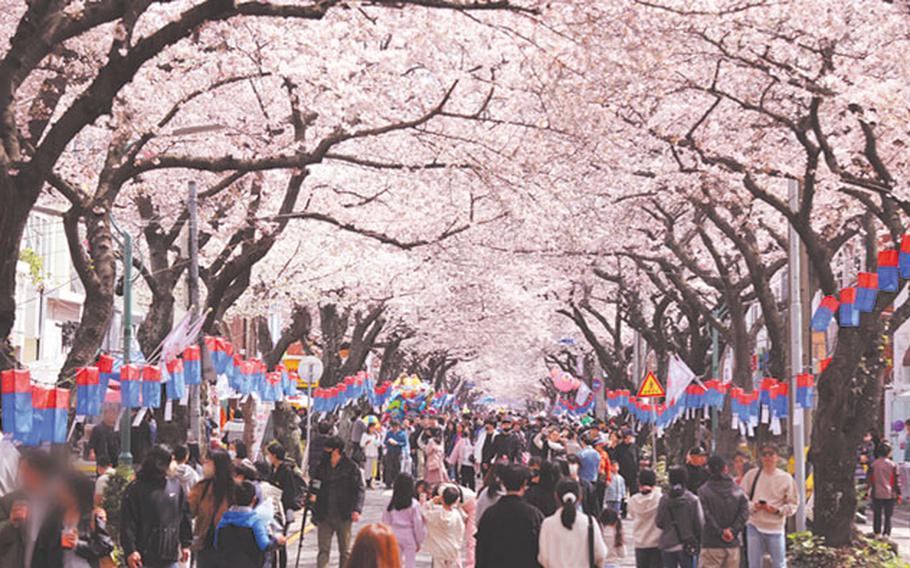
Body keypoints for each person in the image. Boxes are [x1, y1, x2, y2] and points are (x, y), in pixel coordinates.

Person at [120, 445, 192, 568]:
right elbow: (127, 522)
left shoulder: (175, 486)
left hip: (170, 556)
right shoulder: (135, 489)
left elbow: (184, 516)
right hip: (144, 559)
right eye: (171, 460)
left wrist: (186, 544)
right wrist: (130, 550)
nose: (175, 464)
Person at [31, 470, 115, 568]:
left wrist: (77, 545)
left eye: (64, 490)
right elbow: (41, 548)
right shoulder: (52, 518)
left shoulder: (92, 516)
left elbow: (106, 546)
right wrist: (59, 542)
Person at [475, 464, 545, 568]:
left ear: (503, 483)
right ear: (524, 483)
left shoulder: (490, 514)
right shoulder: (534, 515)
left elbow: (481, 549)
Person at [739, 443, 797, 568]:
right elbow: (741, 499)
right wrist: (754, 506)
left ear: (777, 457)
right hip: (754, 524)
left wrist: (777, 510)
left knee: (779, 563)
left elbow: (793, 504)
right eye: (764, 454)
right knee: (754, 564)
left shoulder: (786, 478)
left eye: (771, 454)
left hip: (776, 527)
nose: (767, 457)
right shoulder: (752, 475)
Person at [313, 436, 365, 568]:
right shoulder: (321, 466)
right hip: (324, 514)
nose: (324, 451)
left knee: (345, 551)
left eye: (327, 449)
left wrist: (357, 509)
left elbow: (359, 489)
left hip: (344, 514)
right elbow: (315, 484)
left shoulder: (351, 467)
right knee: (323, 550)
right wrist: (312, 495)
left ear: (336, 450)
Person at [0, 449, 58, 567]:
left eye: (28, 471)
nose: (23, 476)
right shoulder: (9, 501)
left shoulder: (59, 502)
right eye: (22, 470)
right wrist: (11, 523)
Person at [215, 480, 287, 568]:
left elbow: (217, 544)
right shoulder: (255, 521)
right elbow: (265, 545)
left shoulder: (224, 520)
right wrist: (277, 541)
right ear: (254, 500)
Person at [538, 478, 607, 568]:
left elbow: (543, 558)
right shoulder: (590, 522)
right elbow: (601, 554)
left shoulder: (547, 524)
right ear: (580, 496)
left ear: (556, 496)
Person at [697, 456, 748, 568]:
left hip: (711, 544)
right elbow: (744, 513)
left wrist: (720, 532)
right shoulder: (738, 491)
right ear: (725, 469)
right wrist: (733, 530)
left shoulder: (703, 491)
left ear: (708, 470)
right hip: (733, 543)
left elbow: (705, 516)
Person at [188, 449, 235, 567]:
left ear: (218, 465)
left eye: (208, 462)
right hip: (205, 545)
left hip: (230, 546)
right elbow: (188, 510)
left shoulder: (235, 489)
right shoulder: (202, 487)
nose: (204, 465)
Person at [656, 466, 703, 568]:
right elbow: (699, 524)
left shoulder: (664, 499)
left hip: (667, 544)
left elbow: (659, 522)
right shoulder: (693, 499)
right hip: (687, 545)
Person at [380, 474, 426, 568]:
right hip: (409, 535)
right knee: (410, 563)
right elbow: (418, 525)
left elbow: (385, 521)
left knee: (395, 562)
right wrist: (419, 540)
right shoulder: (414, 504)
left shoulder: (390, 503)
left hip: (394, 533)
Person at [421, 486, 467, 568]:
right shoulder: (456, 515)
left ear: (442, 497)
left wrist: (432, 501)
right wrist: (458, 545)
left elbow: (423, 511)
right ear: (456, 501)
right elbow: (461, 530)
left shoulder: (436, 514)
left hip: (438, 550)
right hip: (452, 549)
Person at [627, 469, 663, 568]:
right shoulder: (659, 498)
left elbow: (632, 515)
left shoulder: (633, 500)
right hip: (656, 542)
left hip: (640, 542)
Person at [868, 442, 901, 537]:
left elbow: (870, 479)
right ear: (889, 452)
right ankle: (886, 533)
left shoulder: (873, 464)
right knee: (888, 516)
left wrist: (868, 490)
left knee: (877, 514)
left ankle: (877, 532)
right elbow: (896, 481)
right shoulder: (893, 465)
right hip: (890, 493)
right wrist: (898, 493)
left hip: (876, 492)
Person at [577, 433, 602, 515]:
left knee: (585, 504)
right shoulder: (597, 454)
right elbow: (598, 468)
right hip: (594, 480)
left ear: (583, 442)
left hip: (583, 481)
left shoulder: (581, 454)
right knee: (592, 503)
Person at [448, 424, 476, 491]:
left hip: (472, 464)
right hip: (463, 463)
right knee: (463, 481)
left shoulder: (475, 441)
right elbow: (456, 451)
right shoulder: (462, 440)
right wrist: (451, 461)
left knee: (472, 481)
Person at [615, 429, 639, 495]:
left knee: (634, 493)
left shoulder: (635, 447)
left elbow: (638, 459)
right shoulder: (618, 448)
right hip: (622, 473)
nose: (631, 438)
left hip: (633, 474)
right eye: (630, 437)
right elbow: (615, 460)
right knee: (621, 493)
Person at [383, 421, 407, 488]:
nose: (394, 428)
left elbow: (404, 443)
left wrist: (397, 443)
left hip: (398, 452)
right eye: (393, 427)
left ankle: (396, 483)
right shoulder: (389, 433)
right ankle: (388, 483)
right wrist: (388, 442)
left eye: (395, 427)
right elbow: (385, 441)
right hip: (390, 452)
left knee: (397, 468)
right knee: (389, 468)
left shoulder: (402, 433)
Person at [360, 423, 382, 489]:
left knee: (373, 469)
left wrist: (376, 438)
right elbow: (361, 444)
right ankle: (367, 481)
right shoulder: (365, 435)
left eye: (374, 428)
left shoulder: (376, 435)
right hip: (368, 454)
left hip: (375, 454)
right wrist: (366, 442)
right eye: (371, 428)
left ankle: (372, 481)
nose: (372, 429)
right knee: (367, 469)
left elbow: (378, 444)